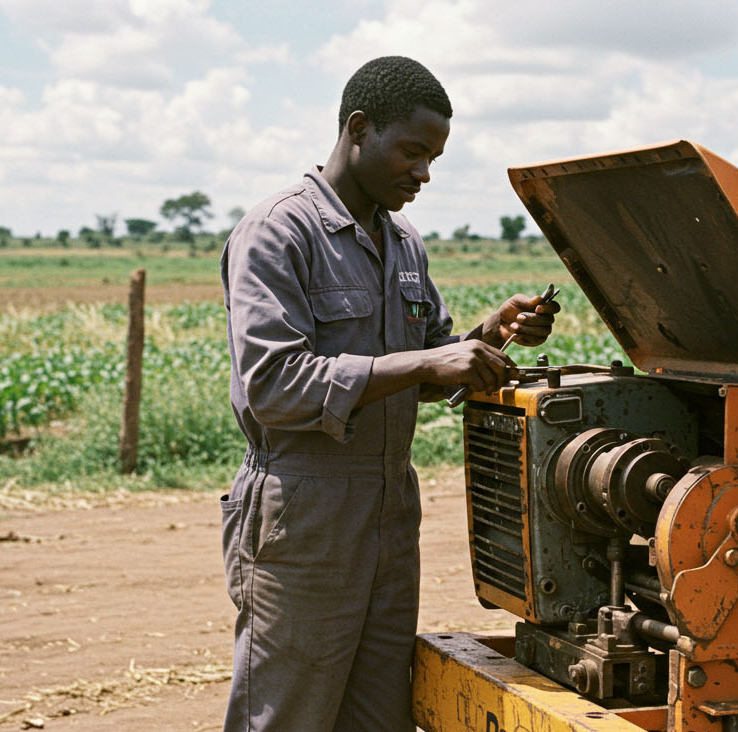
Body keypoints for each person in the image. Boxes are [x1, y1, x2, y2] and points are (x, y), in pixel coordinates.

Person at [219, 55, 560, 732]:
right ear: (357, 129)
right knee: (285, 717)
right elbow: (274, 387)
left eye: (433, 158)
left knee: (380, 718)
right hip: (305, 515)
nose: (424, 173)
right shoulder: (279, 233)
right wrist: (430, 362)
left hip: (388, 516)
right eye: (412, 151)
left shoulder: (403, 243)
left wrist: (490, 334)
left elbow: (427, 365)